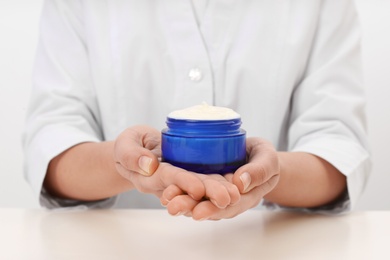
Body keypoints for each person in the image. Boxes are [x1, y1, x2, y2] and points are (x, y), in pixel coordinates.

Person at [23, 0, 371, 220]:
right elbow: (52, 144)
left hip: (268, 246)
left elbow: (338, 150)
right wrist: (123, 164)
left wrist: (271, 175)